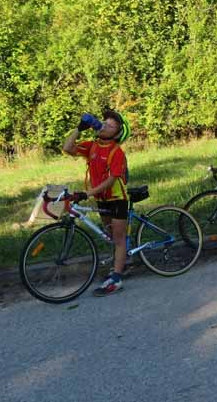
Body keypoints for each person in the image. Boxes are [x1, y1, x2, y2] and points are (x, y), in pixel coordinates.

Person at [62, 109, 131, 296]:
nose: (104, 125)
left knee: (118, 239)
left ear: (117, 133)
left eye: (110, 125)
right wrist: (79, 128)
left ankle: (116, 280)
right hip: (101, 199)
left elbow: (111, 180)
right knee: (110, 235)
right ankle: (120, 264)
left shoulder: (116, 152)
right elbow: (67, 148)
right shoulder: (92, 146)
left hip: (117, 199)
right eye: (104, 122)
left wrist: (87, 193)